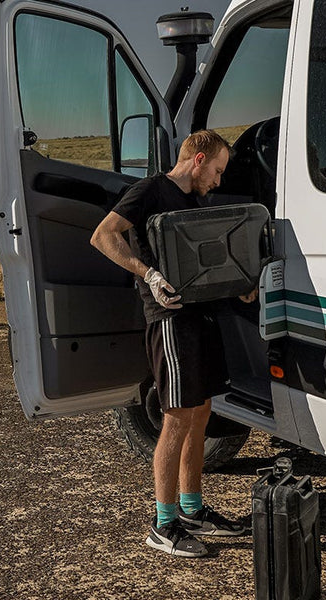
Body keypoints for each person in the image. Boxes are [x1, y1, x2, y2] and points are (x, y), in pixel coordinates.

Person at [90, 129, 257, 558]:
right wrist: (147, 274)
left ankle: (192, 510)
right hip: (169, 321)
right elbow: (104, 235)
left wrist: (237, 284)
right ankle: (163, 525)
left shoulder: (194, 201)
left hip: (200, 316)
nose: (219, 181)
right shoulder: (149, 190)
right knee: (177, 419)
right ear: (198, 159)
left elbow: (203, 259)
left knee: (201, 413)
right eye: (217, 170)